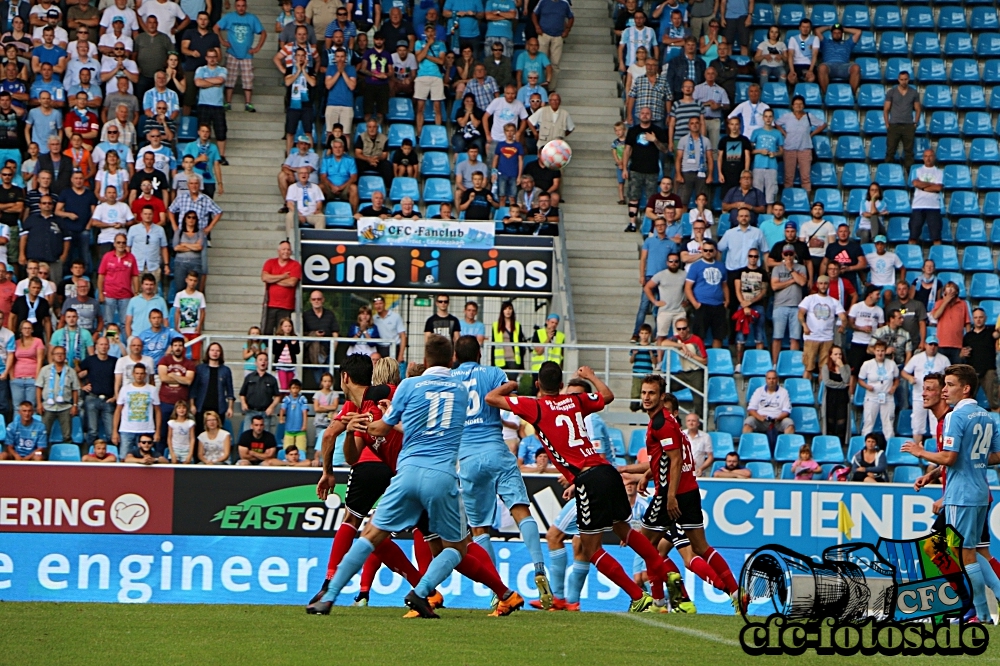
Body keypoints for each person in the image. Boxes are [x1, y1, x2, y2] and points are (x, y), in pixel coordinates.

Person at [490, 362, 672, 613]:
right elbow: (608, 396)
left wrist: (511, 385)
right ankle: (667, 582)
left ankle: (636, 596)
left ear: (538, 385)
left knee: (590, 548)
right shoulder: (575, 401)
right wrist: (591, 376)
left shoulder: (535, 406)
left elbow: (492, 398)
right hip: (607, 471)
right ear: (562, 385)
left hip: (589, 479)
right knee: (624, 531)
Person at [451, 336, 552, 601]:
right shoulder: (493, 372)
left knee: (480, 529)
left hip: (468, 458)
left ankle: (499, 592)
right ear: (480, 353)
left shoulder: (450, 379)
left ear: (456, 355)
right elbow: (512, 400)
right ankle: (540, 568)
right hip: (497, 450)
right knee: (521, 510)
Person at [903, 364, 1000, 622]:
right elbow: (995, 455)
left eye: (947, 385)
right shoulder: (986, 415)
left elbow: (949, 457)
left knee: (960, 553)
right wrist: (937, 472)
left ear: (965, 388)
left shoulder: (954, 417)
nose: (943, 391)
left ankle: (979, 613)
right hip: (979, 491)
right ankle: (980, 606)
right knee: (972, 553)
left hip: (961, 494)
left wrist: (920, 452)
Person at [622, 107, 668, 232]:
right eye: (642, 113)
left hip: (652, 170)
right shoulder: (633, 130)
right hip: (635, 169)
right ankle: (632, 223)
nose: (645, 115)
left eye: (647, 113)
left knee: (652, 199)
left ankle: (652, 225)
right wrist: (624, 168)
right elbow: (627, 150)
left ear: (651, 116)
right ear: (638, 115)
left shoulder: (657, 130)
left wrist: (655, 140)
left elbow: (665, 149)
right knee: (633, 197)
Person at [215, 0, 266, 112]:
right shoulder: (229, 17)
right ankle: (227, 103)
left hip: (247, 54)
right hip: (232, 52)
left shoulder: (252, 18)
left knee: (248, 79)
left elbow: (263, 32)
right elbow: (216, 28)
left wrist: (257, 48)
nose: (241, 8)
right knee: (230, 78)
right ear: (235, 6)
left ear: (246, 6)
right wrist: (222, 41)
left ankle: (248, 103)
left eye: (243, 6)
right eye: (238, 6)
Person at [901, 336, 950, 444]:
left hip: (937, 398)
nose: (932, 347)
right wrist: (910, 378)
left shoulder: (944, 359)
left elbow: (950, 375)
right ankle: (918, 453)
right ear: (926, 345)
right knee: (917, 425)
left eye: (935, 345)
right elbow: (904, 372)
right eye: (930, 344)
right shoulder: (917, 358)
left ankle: (936, 452)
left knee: (936, 425)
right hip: (919, 396)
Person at [798, 274, 848, 378]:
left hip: (827, 338)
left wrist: (843, 325)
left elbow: (843, 316)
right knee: (808, 367)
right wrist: (804, 325)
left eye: (825, 283)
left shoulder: (834, 301)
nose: (823, 286)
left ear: (828, 285)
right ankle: (806, 391)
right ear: (817, 285)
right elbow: (800, 314)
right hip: (811, 337)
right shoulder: (809, 299)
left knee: (824, 369)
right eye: (821, 283)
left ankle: (822, 392)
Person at [775, 95, 826, 192]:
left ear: (803, 105)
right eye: (796, 104)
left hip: (805, 149)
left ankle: (806, 200)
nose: (798, 106)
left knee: (805, 178)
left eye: (800, 104)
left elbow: (823, 124)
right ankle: (788, 198)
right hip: (789, 149)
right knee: (788, 177)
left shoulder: (808, 116)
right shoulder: (787, 116)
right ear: (792, 105)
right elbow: (776, 123)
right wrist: (784, 133)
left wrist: (811, 134)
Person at [659, 316, 707, 416]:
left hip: (696, 373)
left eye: (684, 328)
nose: (682, 331)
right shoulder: (677, 340)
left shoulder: (696, 340)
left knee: (699, 402)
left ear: (688, 328)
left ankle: (701, 427)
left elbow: (705, 361)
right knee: (663, 386)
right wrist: (681, 345)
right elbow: (663, 343)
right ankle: (667, 416)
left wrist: (691, 355)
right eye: (679, 329)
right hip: (684, 373)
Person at [684, 238, 728, 348]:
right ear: (702, 251)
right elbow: (688, 287)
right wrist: (695, 304)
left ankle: (716, 361)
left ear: (715, 252)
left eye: (710, 250)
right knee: (699, 336)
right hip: (702, 305)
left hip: (718, 305)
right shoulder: (696, 266)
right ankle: (699, 361)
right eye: (705, 250)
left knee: (719, 336)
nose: (708, 253)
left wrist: (727, 301)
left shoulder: (721, 266)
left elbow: (724, 285)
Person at [769, 243, 807, 364]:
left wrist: (791, 269)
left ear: (794, 254)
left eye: (791, 254)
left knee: (795, 338)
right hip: (780, 306)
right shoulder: (777, 269)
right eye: (786, 254)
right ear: (782, 255)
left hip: (796, 306)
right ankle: (775, 364)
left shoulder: (801, 268)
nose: (789, 256)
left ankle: (793, 364)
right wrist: (792, 280)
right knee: (777, 337)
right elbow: (774, 286)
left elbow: (801, 282)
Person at [113, 362, 160, 453]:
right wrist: (115, 431)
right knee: (124, 458)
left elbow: (157, 411)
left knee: (146, 457)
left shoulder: (152, 389)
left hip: (147, 430)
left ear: (145, 375)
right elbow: (118, 410)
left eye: (142, 373)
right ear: (133, 374)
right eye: (137, 373)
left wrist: (157, 431)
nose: (139, 376)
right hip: (127, 430)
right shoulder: (125, 389)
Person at [78, 336, 116, 447]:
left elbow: (119, 380)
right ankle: (90, 455)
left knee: (110, 432)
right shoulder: (90, 360)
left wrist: (115, 396)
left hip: (108, 399)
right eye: (101, 344)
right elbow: (75, 372)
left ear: (109, 347)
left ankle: (111, 456)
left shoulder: (114, 361)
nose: (103, 347)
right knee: (92, 431)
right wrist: (82, 386)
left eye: (105, 344)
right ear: (96, 346)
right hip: (92, 398)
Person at [190, 341, 234, 433]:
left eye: (217, 350)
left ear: (221, 353)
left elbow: (230, 390)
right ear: (208, 352)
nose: (215, 352)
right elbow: (194, 388)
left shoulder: (226, 370)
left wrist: (230, 407)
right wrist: (192, 404)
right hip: (201, 407)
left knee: (217, 435)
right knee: (200, 434)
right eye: (212, 350)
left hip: (219, 408)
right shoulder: (200, 369)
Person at [858, 339, 898, 438]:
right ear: (874, 351)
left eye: (882, 351)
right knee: (868, 422)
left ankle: (889, 447)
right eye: (878, 350)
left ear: (885, 351)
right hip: (872, 396)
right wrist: (867, 386)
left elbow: (897, 379)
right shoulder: (867, 364)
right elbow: (860, 380)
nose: (880, 353)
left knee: (888, 423)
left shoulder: (891, 364)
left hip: (887, 396)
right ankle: (865, 447)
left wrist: (894, 387)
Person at [644, 251, 686, 342]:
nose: (673, 263)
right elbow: (647, 287)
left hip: (679, 311)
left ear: (679, 262)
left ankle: (678, 357)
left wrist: (688, 302)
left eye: (676, 261)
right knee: (661, 337)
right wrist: (654, 302)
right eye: (671, 261)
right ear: (667, 262)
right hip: (664, 311)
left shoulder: (684, 274)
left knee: (680, 338)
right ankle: (659, 357)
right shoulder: (660, 275)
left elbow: (691, 289)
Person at [260, 240, 301, 335]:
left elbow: (292, 282)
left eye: (288, 249)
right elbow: (264, 277)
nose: (286, 251)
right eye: (284, 249)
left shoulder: (295, 265)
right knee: (266, 332)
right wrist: (282, 276)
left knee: (283, 334)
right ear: (278, 251)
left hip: (286, 306)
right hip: (270, 305)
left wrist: (273, 279)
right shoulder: (270, 262)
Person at [884, 71, 920, 175]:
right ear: (898, 79)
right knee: (890, 151)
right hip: (894, 125)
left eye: (905, 79)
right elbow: (886, 109)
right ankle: (887, 174)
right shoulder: (891, 92)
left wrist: (915, 123)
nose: (903, 81)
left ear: (908, 79)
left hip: (908, 125)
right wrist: (887, 124)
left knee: (909, 152)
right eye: (901, 79)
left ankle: (910, 175)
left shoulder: (914, 93)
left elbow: (918, 109)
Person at [673, 116, 712, 207]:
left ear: (700, 125)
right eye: (692, 123)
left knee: (702, 200)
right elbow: (678, 158)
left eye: (696, 123)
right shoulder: (683, 140)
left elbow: (709, 158)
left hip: (701, 172)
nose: (694, 125)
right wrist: (678, 174)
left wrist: (710, 175)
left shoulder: (706, 141)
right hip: (686, 172)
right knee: (683, 200)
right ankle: (681, 220)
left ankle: (701, 219)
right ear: (688, 126)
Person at [239, 351, 280, 434]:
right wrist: (243, 403)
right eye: (260, 360)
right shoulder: (249, 377)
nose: (263, 362)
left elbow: (277, 397)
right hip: (250, 412)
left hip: (265, 414)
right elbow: (242, 393)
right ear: (256, 362)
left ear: (268, 362)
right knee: (247, 437)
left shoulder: (272, 379)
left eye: (265, 360)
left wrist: (271, 407)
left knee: (265, 440)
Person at [909, 148, 944, 245]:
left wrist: (922, 186)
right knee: (913, 236)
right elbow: (916, 183)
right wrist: (931, 185)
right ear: (923, 158)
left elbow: (938, 188)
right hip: (918, 206)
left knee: (936, 237)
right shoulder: (917, 171)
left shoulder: (939, 172)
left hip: (934, 206)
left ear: (934, 157)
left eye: (930, 156)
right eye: (926, 156)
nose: (928, 158)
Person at [743, 370, 794, 435]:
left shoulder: (784, 392)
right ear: (766, 380)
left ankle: (786, 444)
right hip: (761, 421)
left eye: (773, 378)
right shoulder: (759, 391)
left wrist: (778, 418)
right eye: (769, 378)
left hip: (778, 421)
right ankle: (747, 444)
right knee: (749, 421)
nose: (771, 381)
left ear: (777, 379)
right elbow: (751, 409)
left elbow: (786, 411)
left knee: (789, 423)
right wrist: (759, 417)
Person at [815, 23, 861, 95]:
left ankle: (851, 95)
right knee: (822, 67)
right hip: (829, 66)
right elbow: (817, 31)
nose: (836, 34)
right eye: (834, 33)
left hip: (844, 66)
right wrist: (828, 27)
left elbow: (858, 32)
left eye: (839, 33)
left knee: (856, 67)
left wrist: (844, 29)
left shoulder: (848, 43)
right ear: (831, 34)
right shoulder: (825, 42)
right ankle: (827, 95)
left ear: (842, 34)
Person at [930, 282, 969, 365]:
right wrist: (945, 302)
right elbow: (936, 316)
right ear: (944, 291)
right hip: (941, 344)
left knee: (956, 370)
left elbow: (967, 322)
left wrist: (968, 342)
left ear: (957, 291)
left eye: (952, 287)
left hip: (957, 344)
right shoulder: (939, 303)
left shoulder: (962, 304)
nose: (950, 289)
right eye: (948, 287)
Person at [821, 346, 850, 442]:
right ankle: (830, 442)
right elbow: (827, 382)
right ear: (830, 355)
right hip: (830, 397)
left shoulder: (846, 367)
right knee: (830, 422)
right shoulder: (826, 367)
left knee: (841, 422)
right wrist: (842, 385)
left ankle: (841, 443)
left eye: (840, 354)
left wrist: (841, 366)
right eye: (836, 354)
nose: (838, 356)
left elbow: (846, 379)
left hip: (842, 398)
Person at [491, 300, 526, 378]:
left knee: (511, 384)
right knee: (501, 384)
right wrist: (492, 364)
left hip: (514, 359)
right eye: (505, 309)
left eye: (510, 308)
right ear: (502, 311)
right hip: (500, 360)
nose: (508, 311)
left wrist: (522, 366)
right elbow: (493, 346)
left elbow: (520, 346)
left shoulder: (517, 325)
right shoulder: (495, 325)